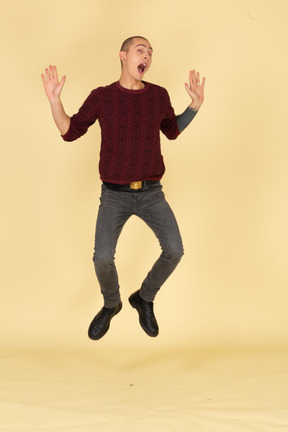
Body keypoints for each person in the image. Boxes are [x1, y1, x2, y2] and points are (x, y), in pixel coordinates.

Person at [41, 36, 205, 340]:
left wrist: (194, 106)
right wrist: (54, 100)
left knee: (174, 250)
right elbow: (70, 131)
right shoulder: (102, 96)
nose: (147, 56)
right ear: (123, 56)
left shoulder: (158, 95)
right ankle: (112, 303)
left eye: (150, 52)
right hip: (114, 194)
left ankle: (143, 298)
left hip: (151, 192)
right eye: (140, 50)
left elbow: (171, 130)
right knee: (102, 258)